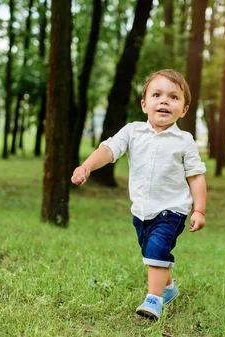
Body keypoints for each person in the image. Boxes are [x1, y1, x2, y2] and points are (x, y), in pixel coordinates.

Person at [70, 69, 207, 320]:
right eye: (157, 95)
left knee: (156, 250)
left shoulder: (184, 141)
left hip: (172, 210)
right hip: (142, 210)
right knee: (151, 250)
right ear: (145, 105)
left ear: (184, 109)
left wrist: (198, 209)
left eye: (173, 97)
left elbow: (196, 176)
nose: (164, 101)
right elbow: (109, 150)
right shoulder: (132, 132)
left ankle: (153, 300)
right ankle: (168, 289)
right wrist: (86, 166)